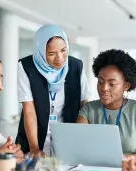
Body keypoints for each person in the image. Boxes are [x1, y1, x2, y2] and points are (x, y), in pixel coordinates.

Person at [16, 24, 89, 157]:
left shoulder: (76, 66)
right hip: (34, 136)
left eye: (63, 50)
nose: (60, 58)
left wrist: (80, 138)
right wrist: (34, 148)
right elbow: (29, 110)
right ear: (41, 51)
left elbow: (84, 104)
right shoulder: (27, 67)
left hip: (67, 135)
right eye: (51, 54)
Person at [77, 49, 136, 164]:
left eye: (112, 84)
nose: (104, 88)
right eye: (100, 81)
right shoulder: (88, 110)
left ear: (126, 86)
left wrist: (125, 159)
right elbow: (78, 147)